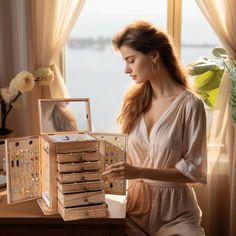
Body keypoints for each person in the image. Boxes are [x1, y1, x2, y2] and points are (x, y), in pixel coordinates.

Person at [103, 20, 207, 236]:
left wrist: (139, 172)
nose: (126, 69)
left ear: (154, 55)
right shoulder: (133, 102)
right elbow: (123, 156)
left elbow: (193, 173)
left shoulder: (190, 105)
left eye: (131, 60)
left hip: (176, 214)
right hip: (133, 209)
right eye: (125, 61)